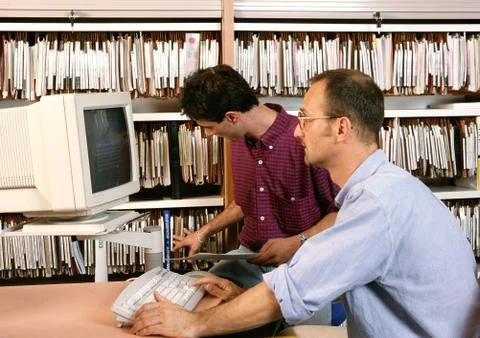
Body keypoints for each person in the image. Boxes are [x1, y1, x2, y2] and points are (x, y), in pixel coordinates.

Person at [132, 69, 480, 338]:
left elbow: (290, 293)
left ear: (341, 129)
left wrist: (192, 324)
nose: (297, 133)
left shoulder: (375, 205)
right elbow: (296, 286)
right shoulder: (385, 189)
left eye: (306, 120)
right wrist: (241, 294)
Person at [172, 64, 339, 291]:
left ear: (232, 117)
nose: (207, 135)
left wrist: (297, 241)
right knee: (192, 294)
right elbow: (245, 202)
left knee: (284, 326)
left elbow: (342, 212)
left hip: (302, 263)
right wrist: (203, 232)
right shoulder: (238, 140)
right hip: (248, 260)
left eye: (209, 127)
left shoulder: (305, 141)